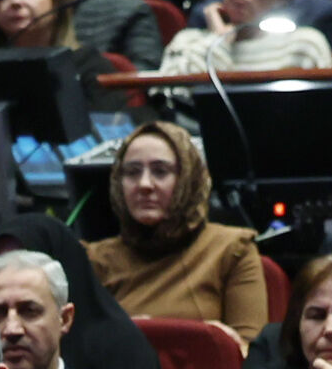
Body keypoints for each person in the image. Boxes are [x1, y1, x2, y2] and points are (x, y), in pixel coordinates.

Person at [88, 119, 269, 337]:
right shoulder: (95, 258)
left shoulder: (231, 248)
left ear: (187, 179)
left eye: (160, 171)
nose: (144, 184)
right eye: (132, 172)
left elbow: (253, 356)